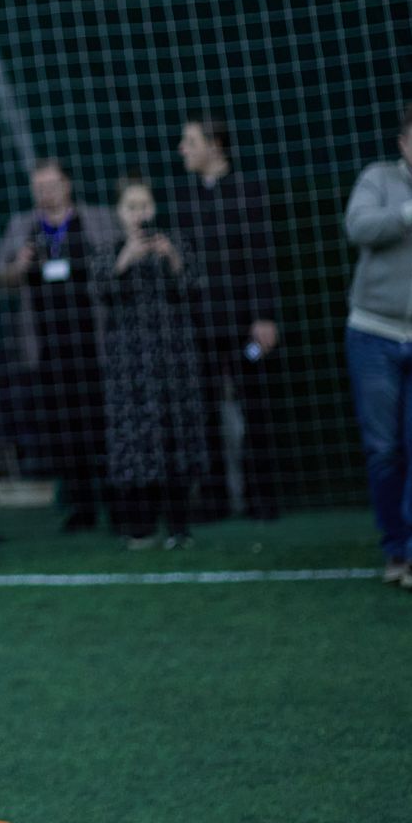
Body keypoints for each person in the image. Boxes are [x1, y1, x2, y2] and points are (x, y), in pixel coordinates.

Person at [343, 99, 412, 594]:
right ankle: (395, 547)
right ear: (403, 145)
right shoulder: (378, 179)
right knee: (384, 449)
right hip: (374, 333)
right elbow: (358, 228)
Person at [0, 159, 119, 531]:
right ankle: (80, 505)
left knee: (103, 424)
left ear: (68, 185)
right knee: (66, 430)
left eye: (51, 185)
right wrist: (19, 265)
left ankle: (118, 500)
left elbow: (116, 268)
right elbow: (2, 277)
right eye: (39, 187)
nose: (45, 192)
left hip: (95, 344)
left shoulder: (99, 220)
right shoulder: (22, 226)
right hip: (47, 348)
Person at [171, 117, 282, 522]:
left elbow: (262, 257)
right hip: (199, 324)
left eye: (190, 140)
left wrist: (264, 316)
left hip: (244, 322)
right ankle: (213, 498)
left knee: (257, 407)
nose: (182, 148)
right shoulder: (182, 199)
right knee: (203, 410)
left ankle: (262, 497)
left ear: (215, 145)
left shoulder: (249, 191)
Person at [89, 178, 208, 548]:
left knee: (176, 438)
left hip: (174, 362)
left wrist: (172, 259)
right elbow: (101, 290)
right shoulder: (110, 250)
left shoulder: (175, 245)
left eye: (144, 205)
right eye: (131, 207)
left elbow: (194, 289)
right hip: (129, 367)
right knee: (135, 443)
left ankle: (179, 526)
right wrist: (126, 260)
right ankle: (139, 526)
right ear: (119, 213)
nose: (139, 214)